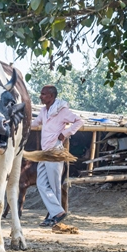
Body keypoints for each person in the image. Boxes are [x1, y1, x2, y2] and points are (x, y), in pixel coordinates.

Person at [32, 85, 83, 227]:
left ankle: (54, 215)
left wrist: (66, 133)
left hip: (55, 150)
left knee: (54, 185)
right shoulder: (43, 111)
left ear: (51, 96)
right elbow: (35, 123)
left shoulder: (62, 111)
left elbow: (79, 121)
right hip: (45, 152)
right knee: (41, 183)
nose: (40, 96)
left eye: (43, 94)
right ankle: (57, 212)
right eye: (41, 93)